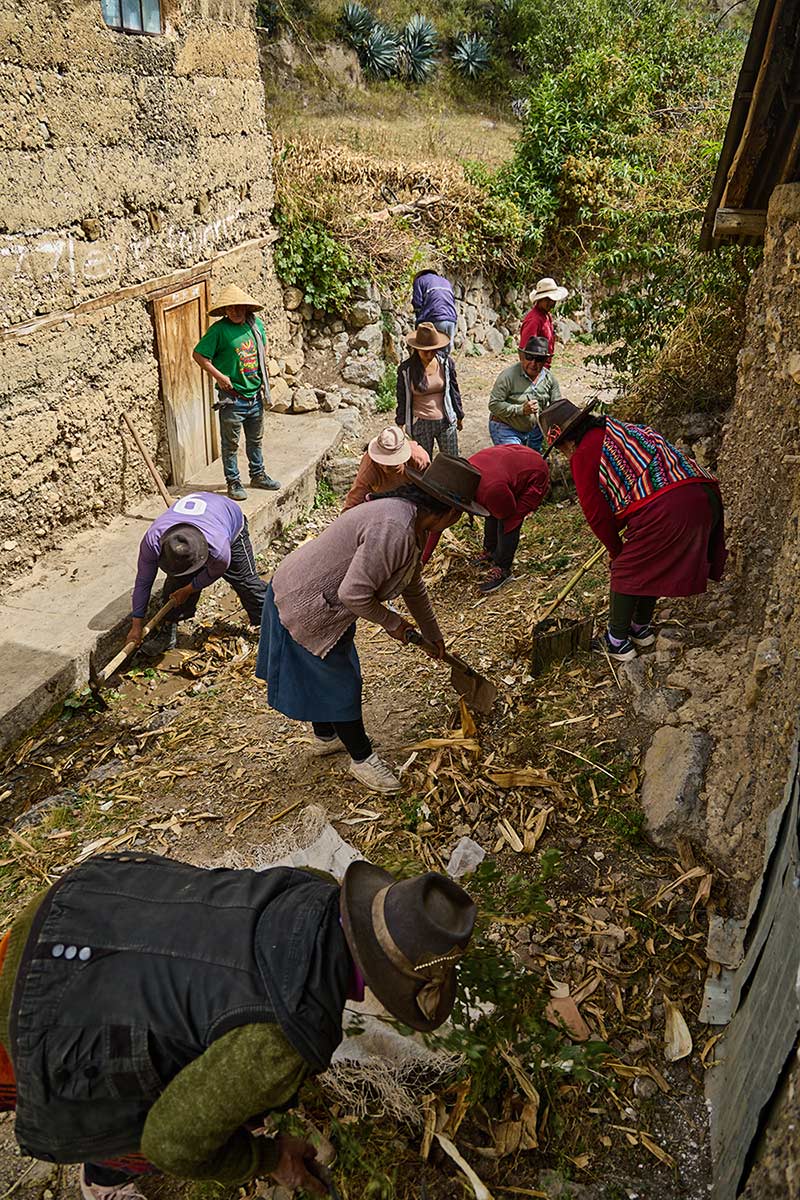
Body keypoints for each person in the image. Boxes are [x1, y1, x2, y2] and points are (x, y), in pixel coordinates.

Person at [0, 850, 476, 1200]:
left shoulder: (308, 885)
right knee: (124, 1115)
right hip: (43, 1012)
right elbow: (170, 1143)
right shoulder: (278, 1042)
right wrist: (268, 1159)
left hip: (78, 910)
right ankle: (104, 1178)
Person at [256, 456, 488, 793]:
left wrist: (433, 635)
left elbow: (412, 584)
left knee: (328, 667)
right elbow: (354, 594)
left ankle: (325, 736)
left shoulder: (412, 522)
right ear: (449, 512)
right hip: (305, 599)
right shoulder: (394, 528)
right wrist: (393, 623)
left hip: (323, 598)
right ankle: (362, 759)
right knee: (341, 682)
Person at [538, 399, 727, 662]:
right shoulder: (620, 431)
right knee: (652, 562)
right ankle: (640, 628)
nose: (564, 455)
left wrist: (616, 550)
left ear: (565, 442)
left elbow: (596, 514)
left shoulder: (582, 454)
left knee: (627, 567)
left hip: (671, 507)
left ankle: (616, 641)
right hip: (703, 494)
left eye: (560, 450)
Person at [127, 491, 265, 650]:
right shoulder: (152, 541)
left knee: (247, 583)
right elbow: (143, 582)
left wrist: (189, 589)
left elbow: (214, 572)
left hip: (228, 516)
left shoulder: (219, 549)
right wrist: (136, 625)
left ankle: (268, 626)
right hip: (201, 516)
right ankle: (167, 631)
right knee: (176, 584)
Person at [193, 284, 281, 502]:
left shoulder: (255, 324)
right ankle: (233, 482)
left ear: (246, 307)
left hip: (254, 396)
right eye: (230, 308)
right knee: (230, 444)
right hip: (232, 399)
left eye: (238, 307)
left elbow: (264, 345)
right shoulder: (219, 331)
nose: (235, 311)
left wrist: (264, 362)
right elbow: (199, 355)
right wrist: (220, 377)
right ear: (224, 311)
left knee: (255, 440)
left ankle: (258, 475)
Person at [421, 445, 550, 594]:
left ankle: (503, 567)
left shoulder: (488, 490)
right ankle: (490, 551)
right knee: (491, 510)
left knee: (508, 519)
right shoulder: (460, 480)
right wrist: (422, 562)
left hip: (534, 472)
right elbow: (437, 527)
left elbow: (508, 514)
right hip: (506, 465)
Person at [396, 323, 464, 460]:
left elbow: (453, 390)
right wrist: (400, 422)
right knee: (423, 463)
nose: (429, 354)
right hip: (421, 423)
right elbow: (402, 397)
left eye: (433, 350)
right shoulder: (406, 370)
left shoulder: (445, 363)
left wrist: (459, 414)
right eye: (425, 351)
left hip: (446, 420)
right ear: (417, 349)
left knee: (452, 462)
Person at [488, 336, 560, 453]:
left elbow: (557, 405)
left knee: (534, 461)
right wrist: (521, 410)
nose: (533, 363)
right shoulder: (508, 376)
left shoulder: (549, 379)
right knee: (516, 460)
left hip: (535, 429)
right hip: (506, 427)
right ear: (522, 357)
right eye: (529, 357)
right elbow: (494, 405)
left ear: (545, 361)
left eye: (539, 359)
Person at [342, 426, 430, 512]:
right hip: (382, 501)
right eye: (383, 462)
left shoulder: (418, 458)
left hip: (412, 498)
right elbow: (353, 502)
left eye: (392, 464)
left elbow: (430, 486)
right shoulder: (369, 470)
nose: (386, 467)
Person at [518, 276, 569, 367]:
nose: (551, 303)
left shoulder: (546, 316)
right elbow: (524, 349)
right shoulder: (534, 319)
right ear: (539, 300)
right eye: (547, 300)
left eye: (553, 300)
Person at [411, 269, 458, 349]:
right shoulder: (445, 281)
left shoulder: (419, 281)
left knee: (434, 350)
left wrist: (419, 323)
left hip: (434, 317)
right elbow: (452, 300)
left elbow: (417, 303)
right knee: (446, 351)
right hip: (451, 319)